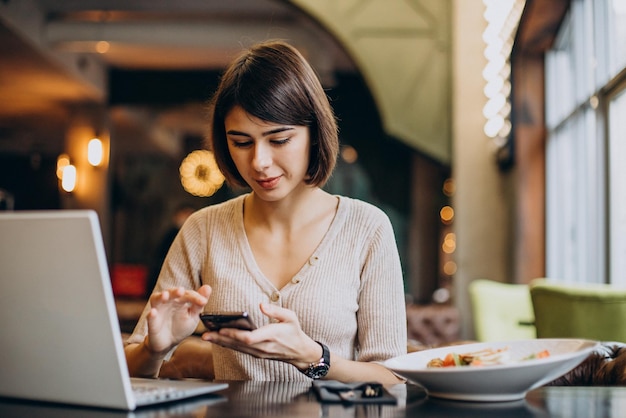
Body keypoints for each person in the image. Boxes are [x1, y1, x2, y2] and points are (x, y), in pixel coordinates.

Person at [124, 40, 407, 383]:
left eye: (278, 140)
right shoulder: (203, 229)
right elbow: (131, 367)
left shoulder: (367, 228)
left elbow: (392, 377)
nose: (258, 162)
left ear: (314, 134)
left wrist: (312, 357)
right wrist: (154, 350)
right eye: (241, 142)